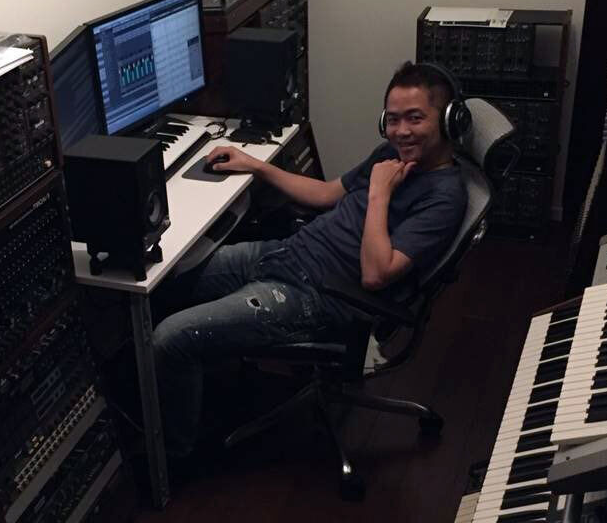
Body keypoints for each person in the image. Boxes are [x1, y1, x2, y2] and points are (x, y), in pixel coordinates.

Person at [152, 61, 468, 464]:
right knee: (168, 280)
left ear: (449, 120)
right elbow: (325, 194)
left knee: (171, 337)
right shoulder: (390, 156)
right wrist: (256, 166)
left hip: (316, 296)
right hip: (285, 255)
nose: (401, 131)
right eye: (392, 119)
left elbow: (375, 274)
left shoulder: (444, 197)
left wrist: (379, 193)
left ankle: (174, 460)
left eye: (415, 118)